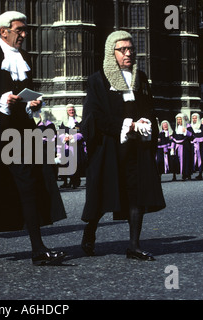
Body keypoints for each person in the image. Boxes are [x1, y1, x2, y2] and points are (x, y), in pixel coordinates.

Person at [0, 11, 66, 265]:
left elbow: (22, 96)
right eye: (19, 29)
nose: (24, 34)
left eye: (25, 29)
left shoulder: (24, 57)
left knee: (29, 185)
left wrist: (32, 104)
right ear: (3, 31)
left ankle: (38, 249)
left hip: (19, 131)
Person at [80, 30, 165, 261]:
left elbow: (149, 107)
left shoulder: (141, 77)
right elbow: (93, 117)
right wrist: (126, 124)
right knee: (103, 194)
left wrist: (146, 121)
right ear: (111, 52)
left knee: (136, 194)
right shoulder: (98, 80)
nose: (128, 53)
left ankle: (134, 246)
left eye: (130, 49)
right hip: (110, 146)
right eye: (122, 49)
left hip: (136, 147)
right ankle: (90, 230)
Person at [57, 104, 87, 189]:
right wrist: (64, 137)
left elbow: (82, 133)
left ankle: (75, 181)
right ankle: (67, 181)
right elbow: (60, 133)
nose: (71, 112)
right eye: (70, 110)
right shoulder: (63, 122)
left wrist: (73, 137)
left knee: (76, 163)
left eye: (73, 110)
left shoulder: (79, 121)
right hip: (66, 145)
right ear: (67, 111)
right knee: (66, 163)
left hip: (76, 145)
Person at [171, 113, 193, 181]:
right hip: (178, 146)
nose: (179, 121)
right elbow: (174, 137)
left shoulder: (188, 126)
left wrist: (186, 132)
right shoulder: (176, 128)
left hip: (185, 146)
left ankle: (187, 174)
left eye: (180, 119)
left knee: (186, 160)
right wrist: (172, 147)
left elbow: (192, 136)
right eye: (177, 119)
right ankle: (180, 174)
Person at [188, 113, 203, 180]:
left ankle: (200, 173)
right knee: (191, 159)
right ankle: (189, 174)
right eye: (193, 118)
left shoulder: (202, 127)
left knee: (202, 159)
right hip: (192, 146)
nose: (194, 119)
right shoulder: (189, 127)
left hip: (201, 146)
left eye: (195, 118)